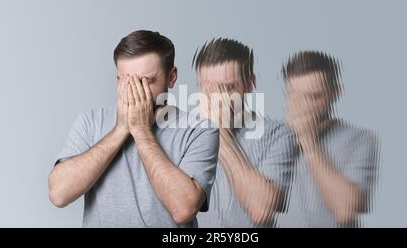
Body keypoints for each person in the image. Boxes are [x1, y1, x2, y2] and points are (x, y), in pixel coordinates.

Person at [48, 30, 219, 227]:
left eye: (146, 81)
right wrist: (121, 129)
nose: (136, 91)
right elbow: (58, 194)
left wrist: (142, 132)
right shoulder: (91, 122)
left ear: (171, 78)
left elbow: (183, 209)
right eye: (126, 81)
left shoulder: (199, 130)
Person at [194, 38, 295, 227]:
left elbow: (261, 210)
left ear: (250, 84)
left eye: (228, 88)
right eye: (209, 90)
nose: (219, 99)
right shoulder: (176, 132)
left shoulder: (278, 135)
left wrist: (218, 133)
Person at [281, 51, 380, 227]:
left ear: (335, 93)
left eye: (314, 97)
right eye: (296, 97)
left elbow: (346, 210)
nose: (305, 107)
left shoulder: (361, 140)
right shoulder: (270, 139)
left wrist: (309, 144)